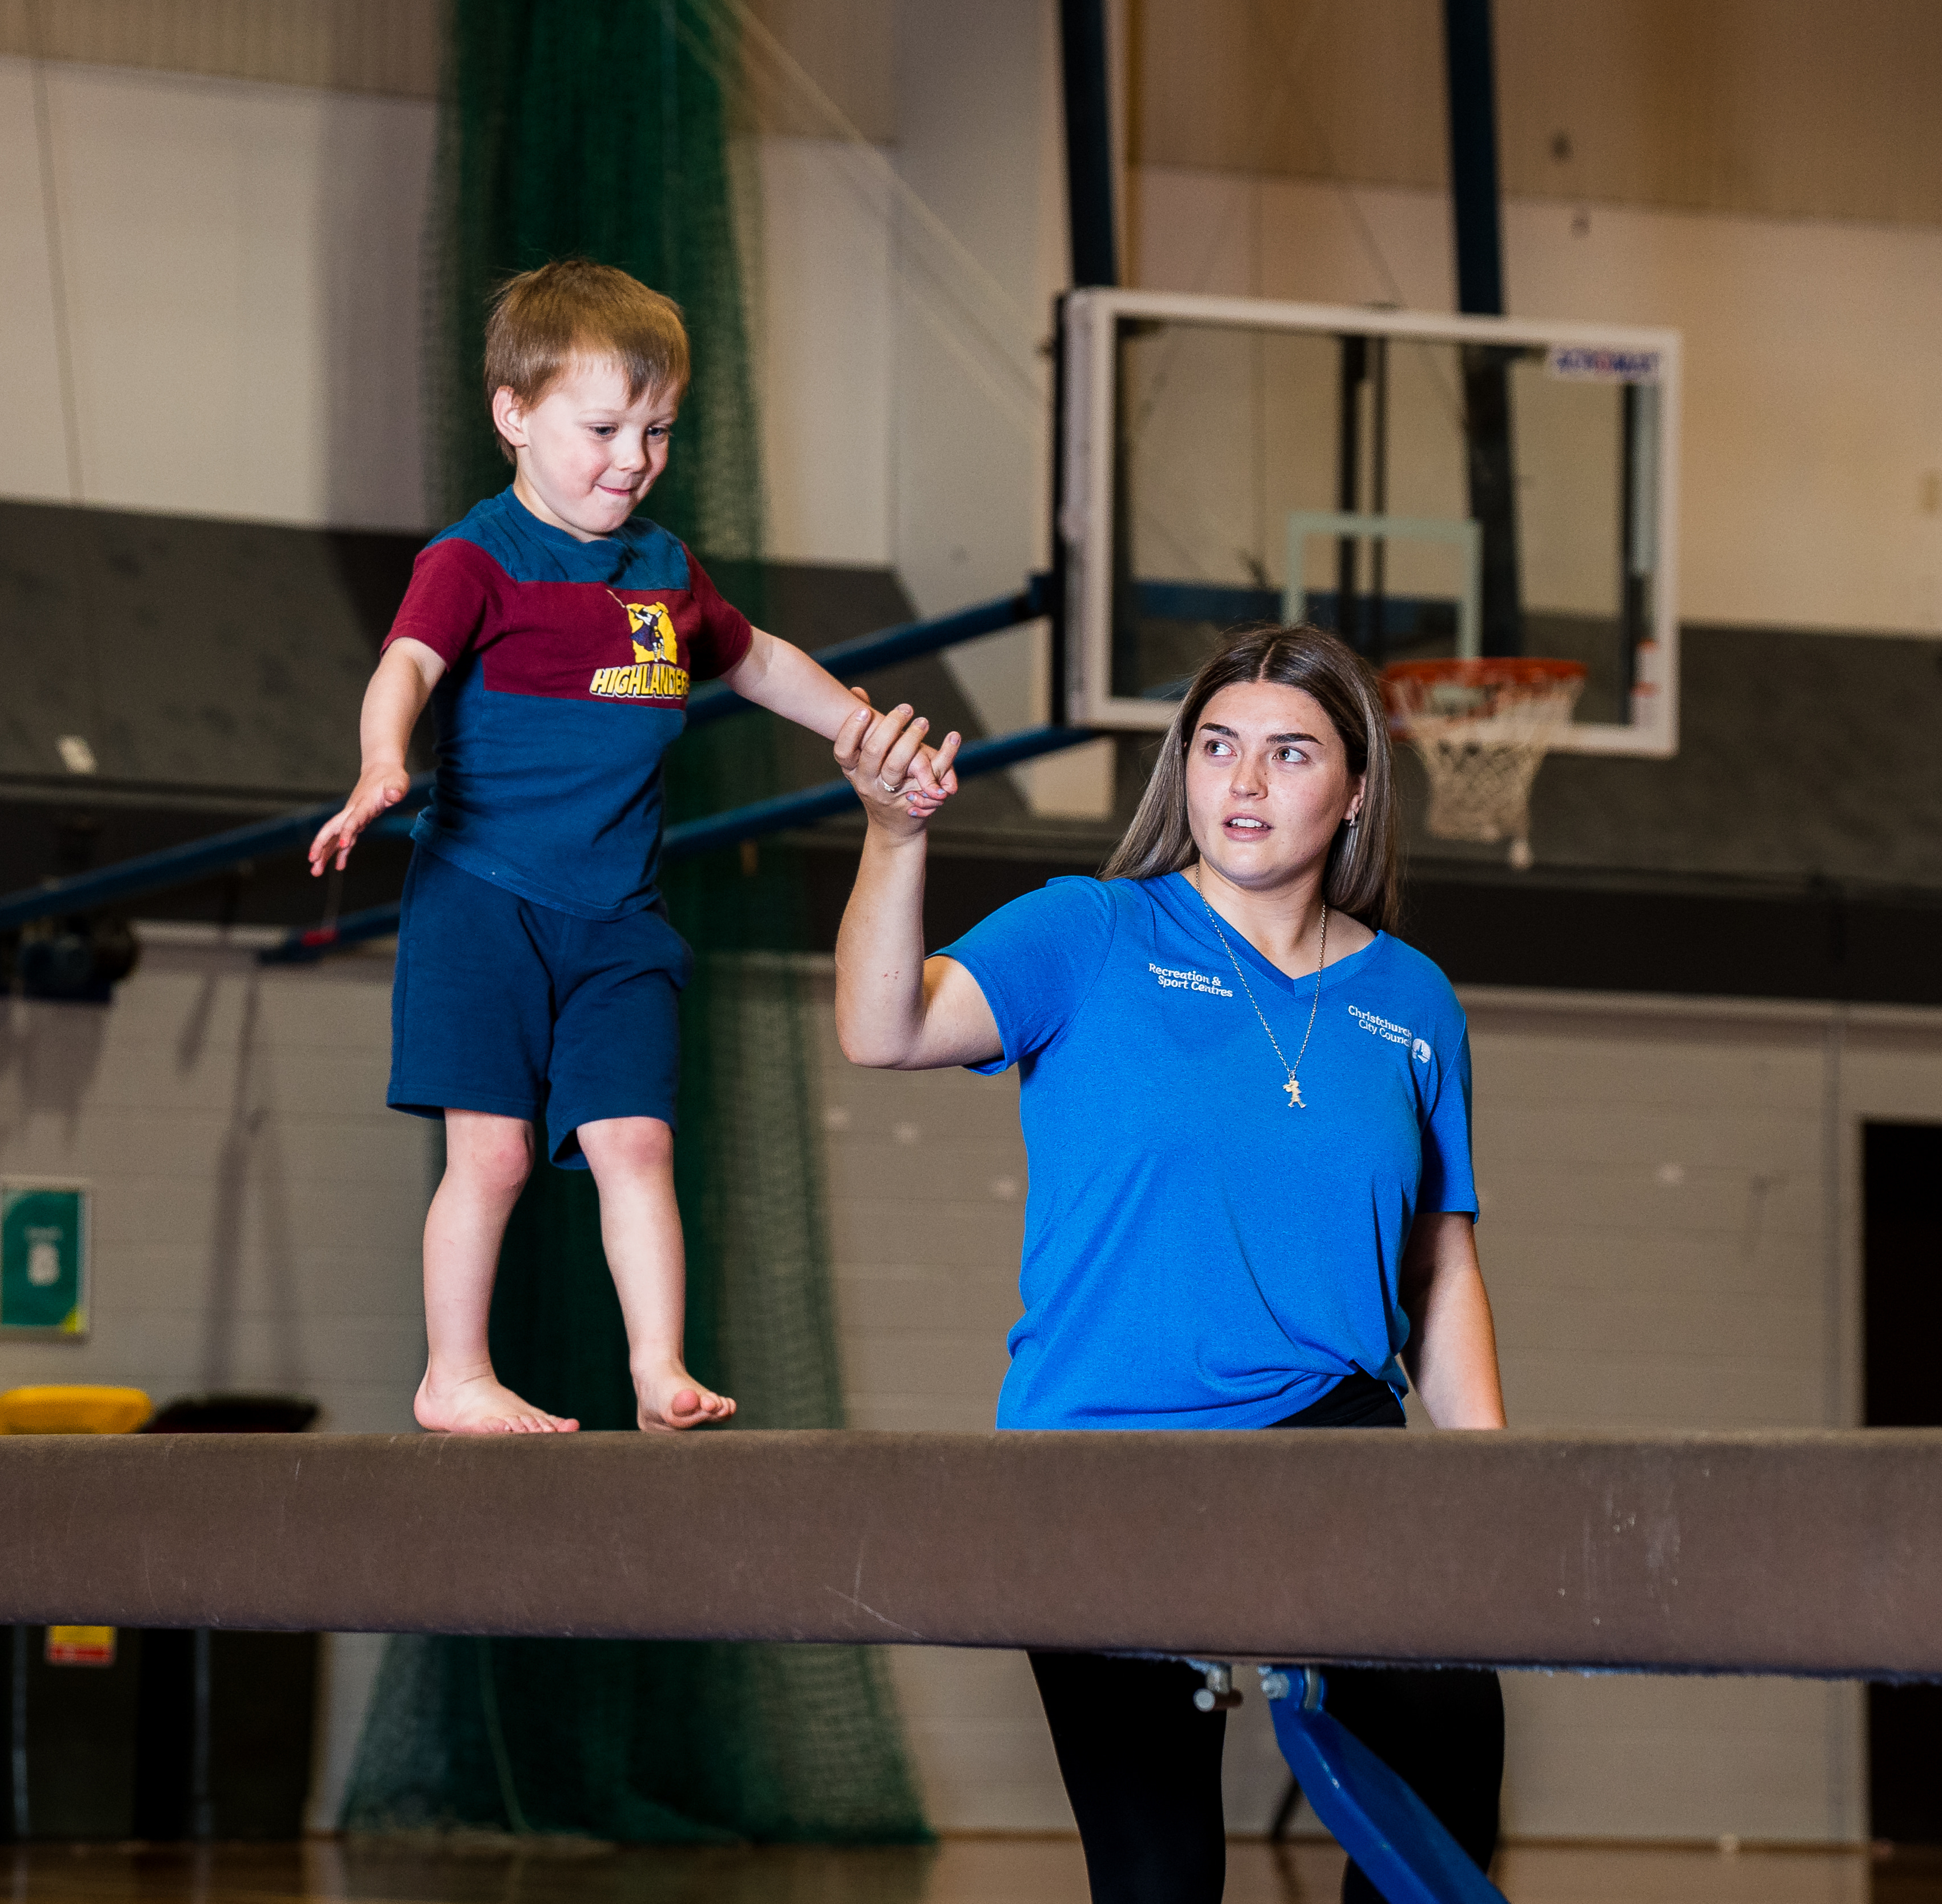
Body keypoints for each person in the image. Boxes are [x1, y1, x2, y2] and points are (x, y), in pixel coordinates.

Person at [830, 624, 1506, 1904]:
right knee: (1160, 1876)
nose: (1244, 781)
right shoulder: (1088, 930)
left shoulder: (1414, 1000)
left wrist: (1495, 1483)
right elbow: (883, 1025)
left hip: (1330, 1434)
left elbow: (1441, 1267)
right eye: (1217, 746)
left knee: (1447, 1774)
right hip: (1103, 1453)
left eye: (1290, 752)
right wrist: (894, 835)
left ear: (1358, 789)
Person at [310, 258, 959, 1437]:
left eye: (657, 431)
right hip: (484, 900)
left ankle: (659, 1369)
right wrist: (380, 759)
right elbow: (406, 661)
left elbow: (759, 660)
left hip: (618, 918)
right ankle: (453, 1374)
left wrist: (861, 731)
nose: (634, 458)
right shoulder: (476, 559)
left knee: (637, 1140)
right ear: (513, 414)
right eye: (603, 428)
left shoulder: (662, 571)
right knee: (494, 1156)